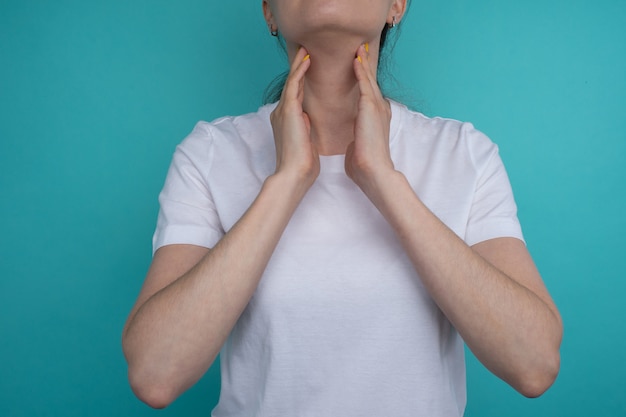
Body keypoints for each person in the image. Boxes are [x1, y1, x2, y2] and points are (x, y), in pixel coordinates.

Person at [122, 0, 563, 415]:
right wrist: (287, 180)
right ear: (268, 12)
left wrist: (383, 179)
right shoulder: (210, 154)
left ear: (396, 5)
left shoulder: (464, 154)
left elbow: (534, 365)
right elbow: (156, 376)